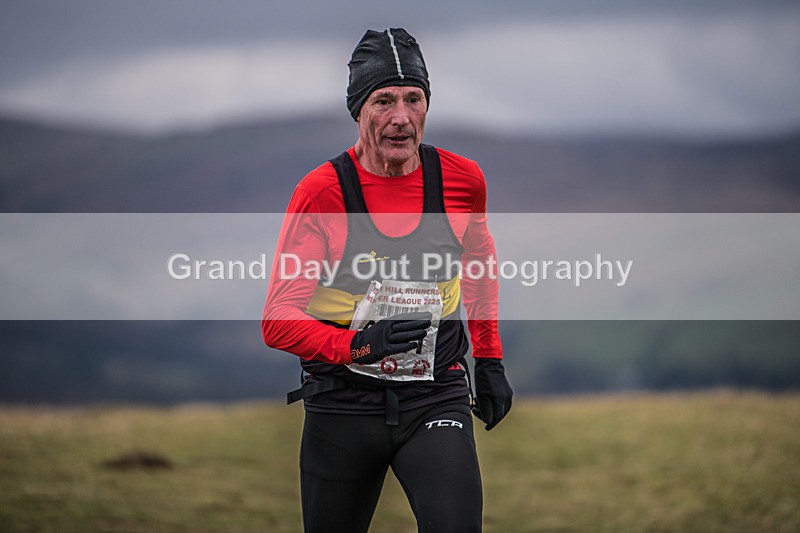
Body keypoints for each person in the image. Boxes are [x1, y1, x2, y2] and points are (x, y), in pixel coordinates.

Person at [262, 27, 512, 533]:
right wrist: (355, 346)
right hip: (341, 405)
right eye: (383, 101)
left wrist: (488, 360)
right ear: (359, 111)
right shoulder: (323, 192)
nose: (401, 117)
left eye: (413, 99)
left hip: (434, 396)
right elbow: (277, 320)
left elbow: (480, 270)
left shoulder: (463, 180)